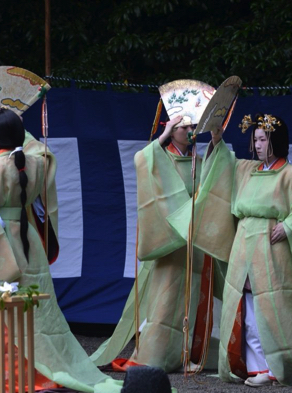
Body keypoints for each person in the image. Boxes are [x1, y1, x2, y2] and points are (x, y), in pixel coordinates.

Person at [0, 108, 122, 393]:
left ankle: (3, 373)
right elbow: (40, 153)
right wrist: (14, 123)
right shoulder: (35, 164)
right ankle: (39, 369)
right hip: (27, 240)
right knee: (34, 310)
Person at [169, 114, 292, 387]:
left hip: (271, 248)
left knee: (274, 309)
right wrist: (217, 139)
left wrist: (289, 226)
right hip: (244, 243)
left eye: (263, 139)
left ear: (276, 141)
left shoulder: (291, 175)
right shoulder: (247, 170)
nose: (258, 145)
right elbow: (223, 166)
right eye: (255, 140)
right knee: (246, 307)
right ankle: (254, 366)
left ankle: (277, 367)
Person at [91, 79, 221, 374]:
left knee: (193, 299)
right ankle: (155, 355)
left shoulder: (197, 159)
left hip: (194, 240)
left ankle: (186, 353)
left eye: (191, 127)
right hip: (168, 240)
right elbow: (140, 160)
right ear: (170, 128)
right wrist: (161, 137)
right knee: (164, 301)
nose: (188, 132)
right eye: (182, 127)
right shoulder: (157, 156)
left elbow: (215, 183)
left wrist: (215, 141)